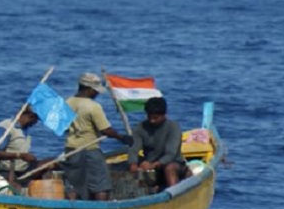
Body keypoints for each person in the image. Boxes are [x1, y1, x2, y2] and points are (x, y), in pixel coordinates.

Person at [64, 73, 133, 201]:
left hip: (71, 150)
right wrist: (122, 137)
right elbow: (106, 130)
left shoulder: (67, 102)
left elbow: (63, 128)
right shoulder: (93, 107)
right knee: (101, 185)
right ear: (88, 89)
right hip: (90, 150)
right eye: (96, 91)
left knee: (74, 184)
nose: (97, 94)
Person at [128, 96, 190, 189]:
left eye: (155, 118)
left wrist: (154, 165)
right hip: (150, 165)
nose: (152, 120)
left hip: (175, 164)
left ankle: (174, 195)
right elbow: (133, 149)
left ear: (164, 115)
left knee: (169, 168)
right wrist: (133, 165)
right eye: (149, 117)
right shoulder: (139, 128)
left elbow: (171, 154)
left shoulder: (173, 127)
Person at [0, 106, 43, 183]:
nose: (36, 123)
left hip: (24, 169)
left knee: (52, 163)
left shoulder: (26, 129)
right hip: (6, 170)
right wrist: (20, 155)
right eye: (36, 120)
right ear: (31, 117)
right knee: (15, 186)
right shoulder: (6, 127)